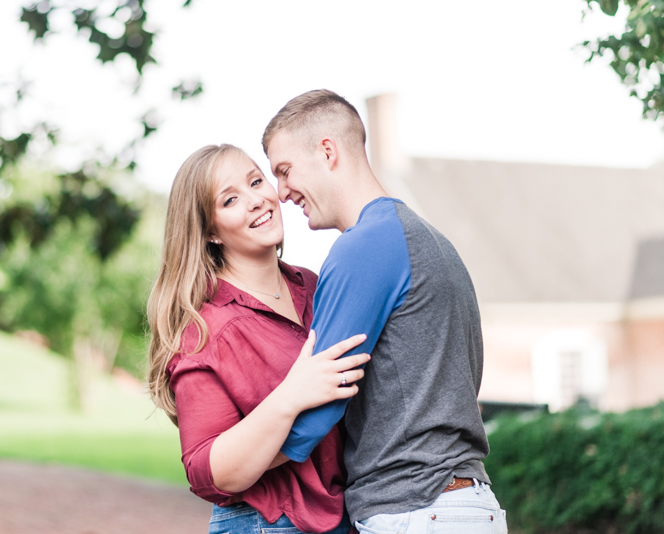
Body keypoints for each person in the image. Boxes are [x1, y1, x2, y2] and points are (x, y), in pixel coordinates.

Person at [262, 90, 508, 534]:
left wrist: (234, 465)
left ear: (327, 151)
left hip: (417, 509)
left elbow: (318, 406)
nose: (280, 193)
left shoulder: (364, 247)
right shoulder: (431, 241)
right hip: (464, 504)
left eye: (284, 171)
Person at [146, 144, 370, 534]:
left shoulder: (316, 286)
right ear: (210, 231)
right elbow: (208, 472)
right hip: (269, 523)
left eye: (256, 181)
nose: (256, 200)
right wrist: (292, 395)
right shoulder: (205, 328)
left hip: (348, 516)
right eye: (230, 199)